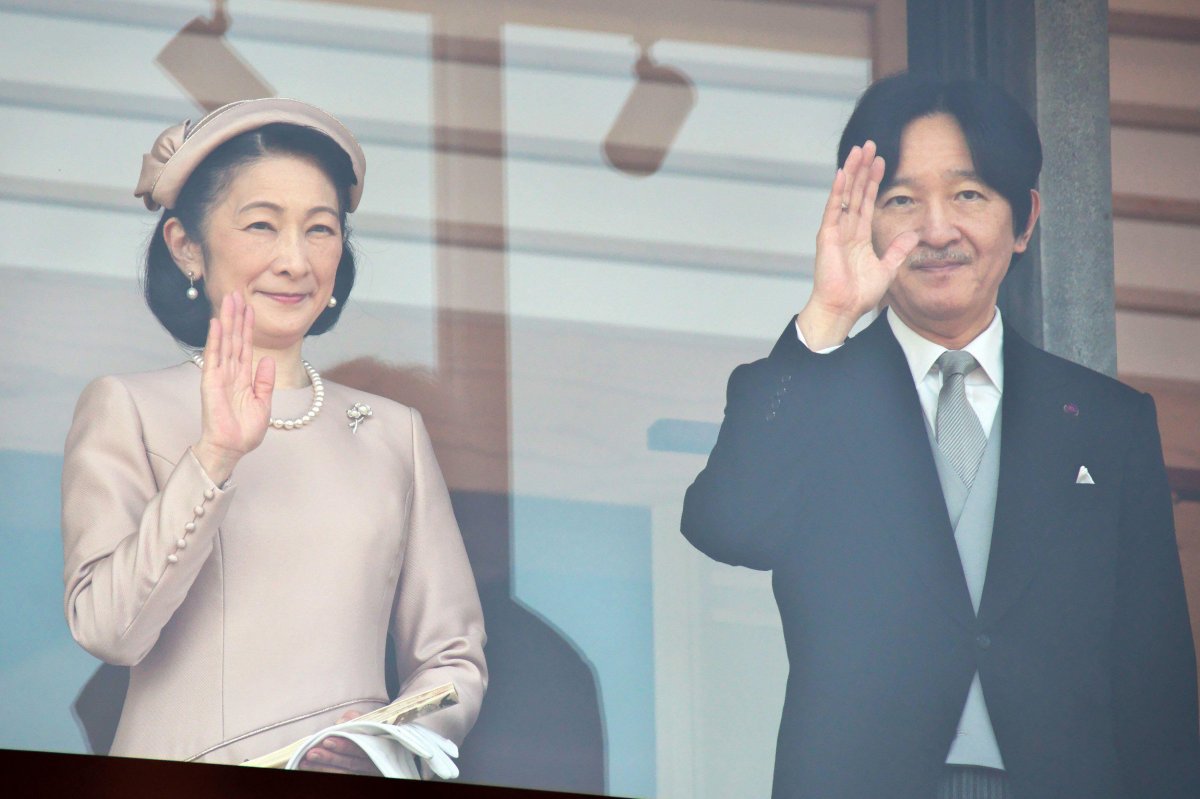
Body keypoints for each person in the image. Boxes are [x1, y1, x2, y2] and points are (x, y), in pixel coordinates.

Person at [681, 73, 1200, 799]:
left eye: (968, 194)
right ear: (863, 220)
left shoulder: (1108, 423)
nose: (935, 230)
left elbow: (1157, 682)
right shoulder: (811, 389)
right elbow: (727, 524)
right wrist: (827, 315)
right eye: (901, 199)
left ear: (1023, 221)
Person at [61, 99, 486, 774]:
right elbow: (109, 630)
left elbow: (452, 659)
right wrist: (214, 455)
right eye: (262, 224)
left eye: (320, 230)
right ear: (185, 245)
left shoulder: (392, 432)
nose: (295, 260)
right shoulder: (127, 406)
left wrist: (381, 744)